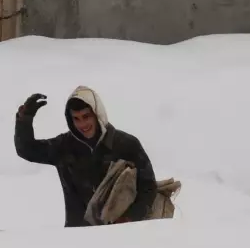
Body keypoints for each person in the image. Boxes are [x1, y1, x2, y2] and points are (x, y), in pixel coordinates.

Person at [15, 86, 156, 227]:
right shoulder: (64, 147)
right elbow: (27, 150)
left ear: (97, 113)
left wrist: (129, 219)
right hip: (78, 237)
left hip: (122, 234)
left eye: (86, 116)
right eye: (76, 118)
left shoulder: (126, 144)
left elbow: (148, 187)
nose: (82, 124)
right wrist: (24, 119)